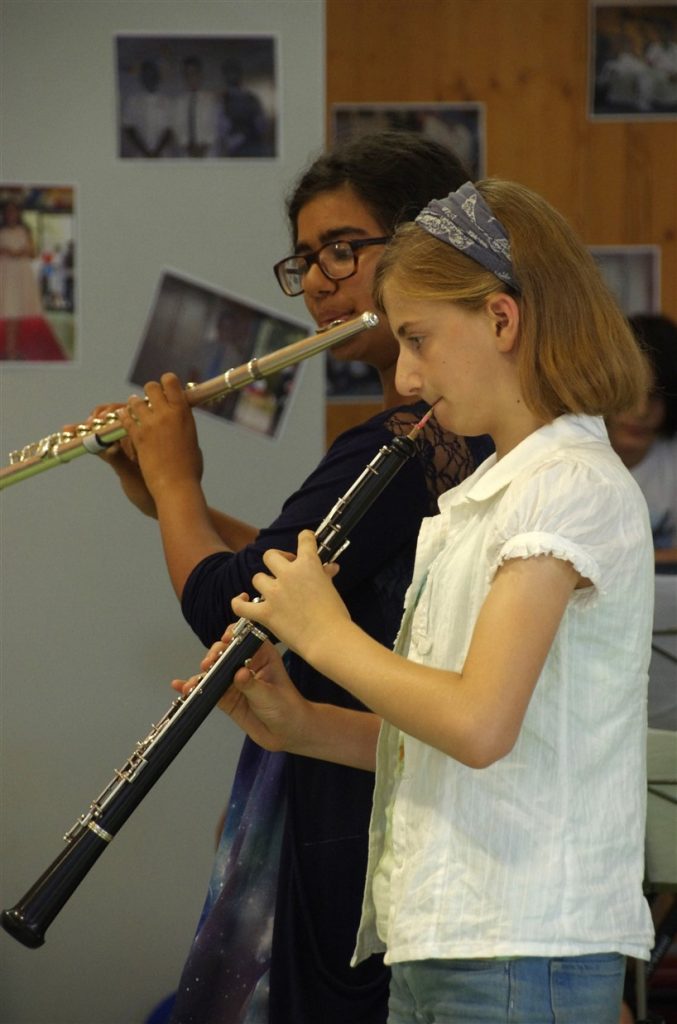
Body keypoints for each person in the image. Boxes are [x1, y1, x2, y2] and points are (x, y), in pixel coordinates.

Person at [206, 178, 656, 1023]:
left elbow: (478, 725)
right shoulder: (492, 493)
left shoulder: (566, 487)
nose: (406, 377)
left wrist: (327, 634)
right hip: (444, 939)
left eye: (417, 339)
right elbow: (445, 737)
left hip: (523, 947)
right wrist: (298, 722)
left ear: (500, 318)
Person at [88, 132, 493, 1023]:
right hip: (368, 779)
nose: (317, 280)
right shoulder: (436, 432)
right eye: (305, 258)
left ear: (427, 248)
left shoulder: (404, 440)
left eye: (343, 249)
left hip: (361, 805)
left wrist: (177, 482)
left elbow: (230, 605)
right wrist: (162, 497)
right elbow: (298, 571)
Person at [607, 312, 677, 563]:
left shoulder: (671, 460)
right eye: (633, 392)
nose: (641, 411)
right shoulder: (568, 459)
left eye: (655, 397)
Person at [0, 199, 43, 359]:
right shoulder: (1, 231)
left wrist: (23, 251)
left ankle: (12, 349)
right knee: (9, 310)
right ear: (4, 214)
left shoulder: (25, 231)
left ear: (18, 214)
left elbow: (33, 253)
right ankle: (10, 350)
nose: (11, 214)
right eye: (8, 211)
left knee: (17, 312)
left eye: (14, 211)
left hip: (21, 274)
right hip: (5, 274)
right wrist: (4, 250)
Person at [120, 59, 173, 159]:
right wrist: (145, 152)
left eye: (152, 74)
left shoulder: (167, 101)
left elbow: (170, 130)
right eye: (146, 74)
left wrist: (156, 152)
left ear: (158, 77)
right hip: (139, 156)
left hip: (162, 156)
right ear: (142, 78)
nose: (149, 77)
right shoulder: (132, 101)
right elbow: (129, 128)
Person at [173, 56, 218, 159]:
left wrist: (203, 148)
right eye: (187, 74)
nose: (191, 77)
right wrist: (187, 147)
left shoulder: (211, 99)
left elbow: (215, 127)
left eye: (194, 73)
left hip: (208, 153)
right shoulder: (179, 102)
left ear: (201, 75)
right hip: (186, 154)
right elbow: (178, 128)